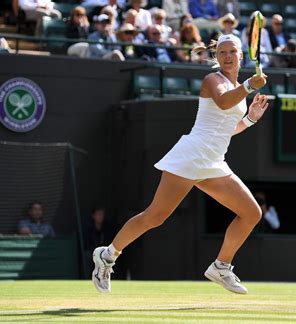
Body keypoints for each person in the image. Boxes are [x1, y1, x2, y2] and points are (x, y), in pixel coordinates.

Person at [91, 34, 268, 295]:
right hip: (191, 155)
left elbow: (226, 129)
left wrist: (250, 119)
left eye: (232, 52)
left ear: (241, 56)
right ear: (216, 57)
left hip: (213, 163)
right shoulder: (213, 80)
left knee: (252, 213)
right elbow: (222, 101)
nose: (228, 56)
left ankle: (221, 266)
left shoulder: (238, 90)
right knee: (155, 217)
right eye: (222, 53)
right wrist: (250, 86)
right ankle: (107, 255)